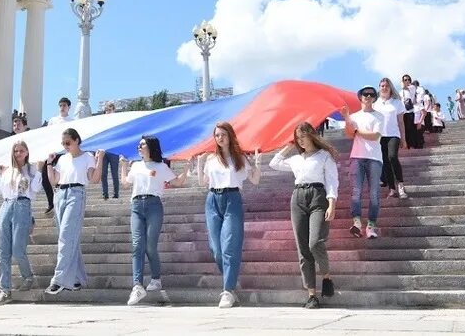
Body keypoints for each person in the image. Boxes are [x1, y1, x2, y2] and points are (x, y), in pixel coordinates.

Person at [269, 122, 338, 309]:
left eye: (303, 136)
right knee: (303, 249)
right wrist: (289, 147)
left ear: (312, 135)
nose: (301, 141)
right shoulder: (296, 159)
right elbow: (273, 163)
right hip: (298, 197)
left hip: (318, 196)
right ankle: (311, 295)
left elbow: (332, 182)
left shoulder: (324, 156)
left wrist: (332, 204)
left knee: (315, 242)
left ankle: (326, 276)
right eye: (298, 138)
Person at [196, 121, 262, 308]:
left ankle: (227, 290)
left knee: (230, 246)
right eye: (217, 135)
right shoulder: (211, 159)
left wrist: (257, 164)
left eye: (223, 134)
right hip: (212, 200)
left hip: (232, 198)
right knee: (216, 249)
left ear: (230, 136)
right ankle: (230, 284)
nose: (220, 138)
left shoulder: (239, 158)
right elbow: (203, 182)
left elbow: (255, 180)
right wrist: (200, 164)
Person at [119, 136, 189, 306]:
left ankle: (156, 278)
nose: (139, 147)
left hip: (154, 205)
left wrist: (187, 166)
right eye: (139, 145)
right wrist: (122, 166)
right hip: (136, 205)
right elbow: (125, 184)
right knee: (137, 245)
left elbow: (177, 182)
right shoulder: (136, 166)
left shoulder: (161, 166)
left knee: (150, 245)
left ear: (150, 147)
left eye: (142, 144)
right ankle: (137, 286)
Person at [44, 128, 103, 295]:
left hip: (76, 193)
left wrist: (100, 160)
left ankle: (59, 279)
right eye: (63, 143)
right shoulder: (62, 158)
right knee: (70, 238)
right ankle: (77, 279)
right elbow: (54, 180)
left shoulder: (87, 157)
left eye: (68, 143)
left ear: (77, 140)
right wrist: (49, 164)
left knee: (66, 236)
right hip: (60, 194)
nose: (65, 146)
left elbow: (94, 179)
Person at [0, 140, 43, 306]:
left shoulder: (32, 169)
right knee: (2, 251)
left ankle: (28, 276)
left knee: (18, 249)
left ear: (27, 152)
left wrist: (40, 170)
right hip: (6, 205)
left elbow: (35, 189)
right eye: (15, 151)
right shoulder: (7, 170)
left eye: (21, 151)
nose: (18, 154)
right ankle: (5, 290)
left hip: (23, 205)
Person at [341, 85, 384, 239]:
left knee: (374, 194)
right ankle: (357, 223)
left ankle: (371, 226)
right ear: (360, 97)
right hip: (357, 157)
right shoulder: (355, 116)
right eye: (365, 94)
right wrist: (346, 117)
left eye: (371, 94)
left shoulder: (379, 116)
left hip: (374, 158)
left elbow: (375, 136)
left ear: (374, 98)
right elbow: (349, 133)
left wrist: (357, 131)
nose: (368, 97)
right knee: (356, 192)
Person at [373, 78, 408, 199]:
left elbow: (401, 122)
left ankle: (400, 185)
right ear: (379, 87)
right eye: (382, 86)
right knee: (385, 162)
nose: (384, 88)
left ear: (390, 87)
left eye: (386, 86)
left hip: (393, 134)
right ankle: (392, 189)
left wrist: (404, 139)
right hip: (380, 136)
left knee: (392, 157)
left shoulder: (397, 102)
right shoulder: (375, 103)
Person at [41, 97, 75, 215]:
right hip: (53, 152)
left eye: (64, 105)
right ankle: (51, 202)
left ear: (69, 107)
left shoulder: (72, 121)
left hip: (65, 153)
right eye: (60, 105)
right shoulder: (53, 120)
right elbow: (46, 135)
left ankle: (63, 201)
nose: (62, 107)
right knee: (44, 176)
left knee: (63, 178)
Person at [100, 101, 121, 200]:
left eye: (109, 110)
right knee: (103, 173)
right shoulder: (102, 122)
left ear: (114, 110)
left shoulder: (117, 122)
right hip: (103, 150)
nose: (108, 112)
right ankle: (105, 194)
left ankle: (116, 193)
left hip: (114, 150)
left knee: (114, 173)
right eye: (106, 110)